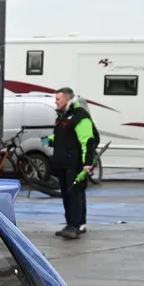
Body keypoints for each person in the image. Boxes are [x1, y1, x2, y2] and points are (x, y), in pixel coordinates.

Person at [48, 87, 98, 239]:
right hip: (63, 163)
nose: (55, 102)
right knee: (67, 194)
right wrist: (51, 140)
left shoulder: (80, 116)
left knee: (74, 194)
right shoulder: (63, 116)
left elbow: (87, 141)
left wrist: (88, 163)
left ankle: (75, 226)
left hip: (74, 164)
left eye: (58, 99)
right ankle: (72, 223)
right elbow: (63, 135)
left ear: (68, 99)